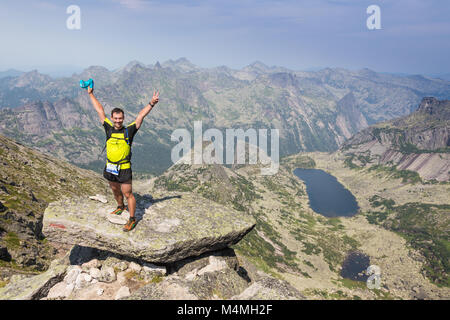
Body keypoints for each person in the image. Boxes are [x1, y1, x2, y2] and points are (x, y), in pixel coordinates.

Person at [87, 86, 159, 231]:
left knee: (128, 193)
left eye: (120, 118)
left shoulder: (129, 130)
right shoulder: (108, 127)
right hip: (110, 166)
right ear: (112, 118)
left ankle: (132, 219)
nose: (118, 121)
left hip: (124, 168)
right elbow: (100, 110)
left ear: (123, 118)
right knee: (114, 190)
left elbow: (140, 116)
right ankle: (120, 206)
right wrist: (91, 94)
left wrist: (151, 103)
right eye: (116, 118)